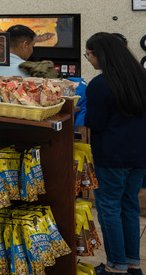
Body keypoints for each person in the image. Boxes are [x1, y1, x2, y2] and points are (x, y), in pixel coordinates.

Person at [84, 32, 146, 275]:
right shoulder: (140, 78)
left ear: (101, 54)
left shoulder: (100, 85)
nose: (89, 59)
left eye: (89, 55)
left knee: (109, 209)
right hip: (139, 155)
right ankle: (133, 265)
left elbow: (96, 123)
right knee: (129, 206)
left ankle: (115, 267)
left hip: (111, 156)